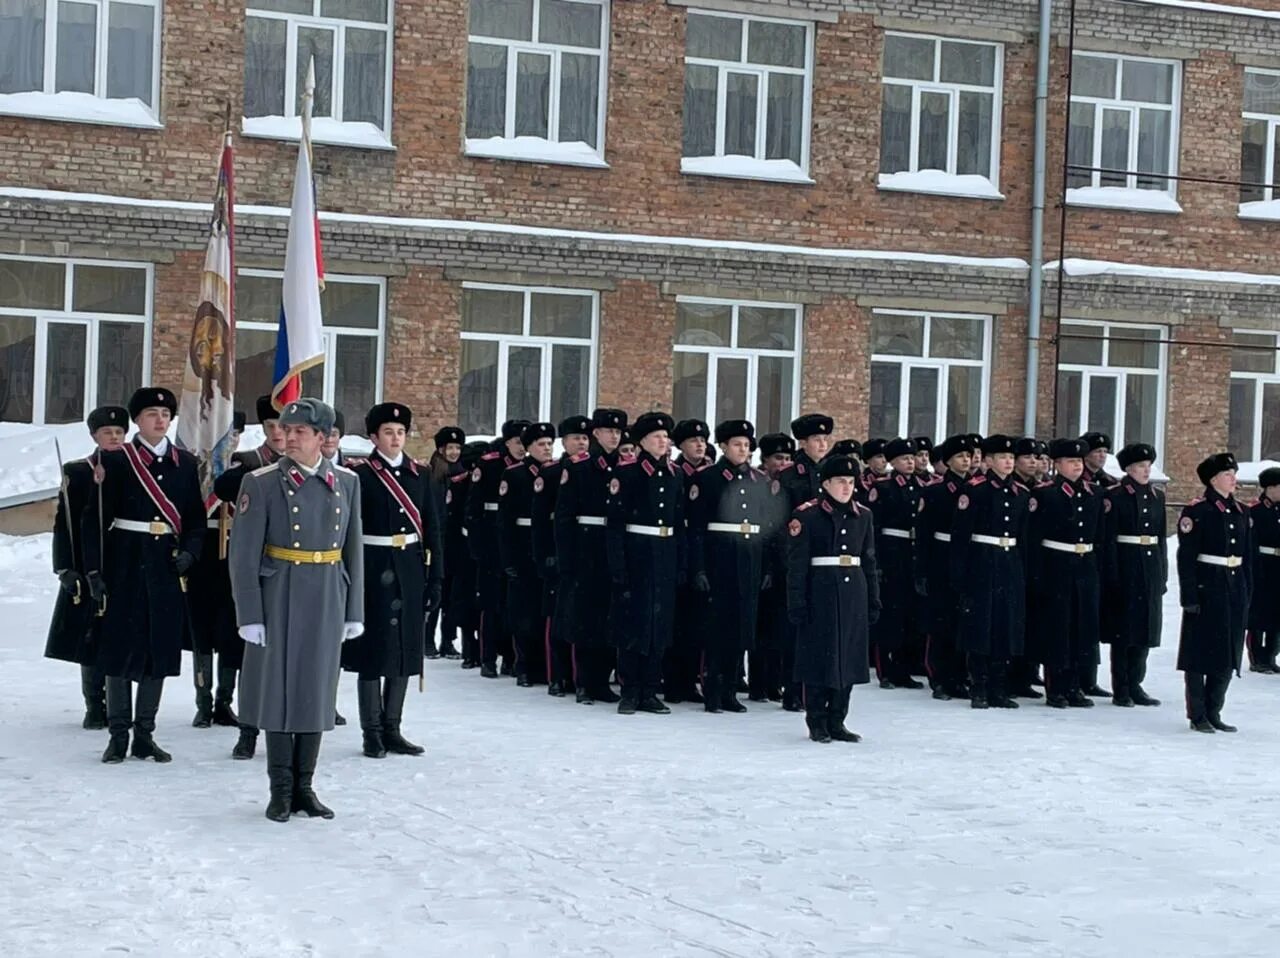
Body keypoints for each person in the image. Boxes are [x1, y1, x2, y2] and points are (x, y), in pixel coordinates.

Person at [229, 398, 364, 821]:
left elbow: (352, 550)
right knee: (277, 691)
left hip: (326, 591)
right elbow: (243, 553)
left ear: (322, 439)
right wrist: (249, 613)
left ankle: (306, 785)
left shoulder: (346, 481)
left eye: (299, 432)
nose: (287, 439)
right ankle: (281, 789)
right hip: (280, 592)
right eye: (285, 432)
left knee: (316, 692)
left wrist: (353, 608)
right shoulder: (261, 481)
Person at [83, 387, 205, 764]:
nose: (160, 419)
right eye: (151, 413)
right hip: (124, 564)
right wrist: (93, 570)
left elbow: (195, 519)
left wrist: (189, 552)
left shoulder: (184, 462)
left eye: (165, 414)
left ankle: (145, 735)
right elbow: (93, 521)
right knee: (118, 651)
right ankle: (118, 734)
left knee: (159, 650)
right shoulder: (117, 460)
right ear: (137, 420)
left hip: (164, 568)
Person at [344, 402, 442, 759]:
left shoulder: (421, 474)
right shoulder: (360, 476)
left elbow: (434, 527)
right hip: (373, 568)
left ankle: (393, 727)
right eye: (388, 432)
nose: (396, 438)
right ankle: (371, 731)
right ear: (373, 437)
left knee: (404, 650)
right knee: (373, 652)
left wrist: (436, 579)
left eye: (400, 432)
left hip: (410, 568)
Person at [686, 419, 779, 713]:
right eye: (737, 444)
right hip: (720, 558)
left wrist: (766, 568)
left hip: (749, 558)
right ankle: (713, 689)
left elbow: (767, 529)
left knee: (743, 626)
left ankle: (730, 689)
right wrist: (698, 567)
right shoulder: (709, 478)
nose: (743, 449)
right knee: (717, 628)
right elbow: (697, 529)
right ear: (724, 446)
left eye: (747, 445)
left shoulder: (759, 481)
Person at [786, 454, 879, 743]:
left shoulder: (863, 515)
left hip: (853, 594)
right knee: (818, 658)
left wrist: (874, 599)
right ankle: (816, 720)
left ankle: (838, 719)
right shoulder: (808, 514)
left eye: (851, 482)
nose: (846, 487)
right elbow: (797, 564)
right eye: (840, 481)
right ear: (825, 484)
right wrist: (797, 602)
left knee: (848, 659)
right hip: (820, 592)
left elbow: (869, 560)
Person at [45, 404, 127, 729]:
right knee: (90, 636)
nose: (114, 437)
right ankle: (95, 703)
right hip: (85, 565)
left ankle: (121, 704)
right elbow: (62, 525)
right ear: (95, 436)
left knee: (120, 636)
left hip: (123, 566)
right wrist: (64, 568)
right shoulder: (78, 471)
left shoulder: (136, 471)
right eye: (107, 432)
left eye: (119, 432)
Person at [606, 412, 682, 714]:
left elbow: (681, 523)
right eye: (656, 437)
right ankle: (630, 689)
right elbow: (615, 526)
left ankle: (650, 688)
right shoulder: (627, 474)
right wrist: (618, 568)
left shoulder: (676, 474)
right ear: (642, 442)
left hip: (665, 553)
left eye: (665, 437)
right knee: (633, 625)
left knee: (659, 627)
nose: (662, 442)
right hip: (637, 553)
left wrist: (682, 564)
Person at [950, 435, 1030, 709]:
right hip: (982, 564)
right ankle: (979, 686)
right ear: (987, 461)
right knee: (980, 627)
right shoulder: (975, 490)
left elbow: (1025, 537)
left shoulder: (1021, 493)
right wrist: (960, 575)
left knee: (1005, 627)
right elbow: (961, 537)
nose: (1008, 462)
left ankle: (999, 686)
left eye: (1010, 458)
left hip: (1010, 564)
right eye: (1001, 458)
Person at [555, 408, 627, 704]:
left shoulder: (626, 467)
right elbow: (564, 518)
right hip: (587, 550)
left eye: (618, 432)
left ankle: (602, 680)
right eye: (608, 431)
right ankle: (584, 681)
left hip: (614, 551)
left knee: (611, 619)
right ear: (595, 434)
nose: (614, 436)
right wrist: (567, 560)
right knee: (586, 619)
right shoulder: (578, 467)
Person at [1177, 453, 1251, 733]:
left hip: (1234, 587)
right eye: (1227, 474)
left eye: (1234, 473)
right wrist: (1190, 596)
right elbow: (1187, 557)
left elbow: (1248, 559)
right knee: (1199, 652)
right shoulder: (1197, 511)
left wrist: (1247, 592)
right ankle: (1197, 714)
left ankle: (1214, 709)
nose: (1234, 478)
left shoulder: (1242, 512)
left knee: (1228, 652)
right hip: (1208, 587)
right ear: (1213, 479)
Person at [1027, 438, 1103, 709]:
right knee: (1057, 629)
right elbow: (1032, 538)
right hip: (1056, 566)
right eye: (1071, 462)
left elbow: (1101, 536)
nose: (1077, 466)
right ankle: (1056, 687)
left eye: (1080, 462)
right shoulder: (1045, 493)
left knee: (1081, 629)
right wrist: (1037, 575)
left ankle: (1075, 685)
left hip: (1085, 566)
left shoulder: (1094, 493)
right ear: (1057, 465)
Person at [189, 410, 248, 731]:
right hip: (204, 555)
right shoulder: (197, 469)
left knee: (230, 633)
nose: (231, 440)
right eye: (225, 434)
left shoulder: (245, 470)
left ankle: (224, 701)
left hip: (235, 556)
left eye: (236, 433)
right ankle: (202, 701)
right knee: (202, 633)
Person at [1099, 443, 1167, 707]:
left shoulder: (1157, 496)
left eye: (1149, 466)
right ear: (1128, 469)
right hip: (1126, 565)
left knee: (1146, 629)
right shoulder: (1115, 496)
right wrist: (1113, 575)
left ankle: (1137, 682)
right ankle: (1122, 687)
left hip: (1149, 566)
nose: (1146, 471)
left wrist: (1161, 574)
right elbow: (1109, 539)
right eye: (1141, 466)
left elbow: (1160, 538)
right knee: (1124, 631)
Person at [533, 416, 592, 696]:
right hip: (557, 554)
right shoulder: (551, 473)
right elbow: (542, 521)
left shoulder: (592, 469)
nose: (581, 442)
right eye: (575, 438)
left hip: (583, 554)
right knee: (556, 617)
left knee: (580, 618)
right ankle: (556, 675)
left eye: (584, 438)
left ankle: (580, 676)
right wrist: (544, 555)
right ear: (564, 442)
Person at [914, 434, 974, 701]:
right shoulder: (935, 491)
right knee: (941, 622)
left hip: (967, 559)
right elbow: (924, 534)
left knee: (963, 622)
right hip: (941, 558)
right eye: (960, 456)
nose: (966, 460)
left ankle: (960, 677)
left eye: (969, 456)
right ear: (948, 461)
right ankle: (939, 677)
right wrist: (922, 570)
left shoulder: (975, 489)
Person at [467, 419, 528, 678]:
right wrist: (477, 545)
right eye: (517, 442)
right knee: (491, 604)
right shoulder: (490, 464)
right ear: (507, 442)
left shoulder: (527, 468)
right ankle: (487, 657)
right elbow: (474, 509)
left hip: (515, 543)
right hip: (491, 542)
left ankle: (511, 657)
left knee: (512, 604)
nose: (522, 448)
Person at [499, 421, 556, 687]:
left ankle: (544, 666)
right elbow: (505, 522)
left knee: (544, 612)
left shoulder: (556, 473)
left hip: (546, 549)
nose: (546, 449)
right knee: (523, 613)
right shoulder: (515, 475)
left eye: (549, 444)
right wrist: (508, 559)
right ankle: (523, 665)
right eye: (541, 444)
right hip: (523, 549)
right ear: (529, 448)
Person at [865, 437, 924, 690]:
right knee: (891, 615)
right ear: (893, 462)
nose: (910, 462)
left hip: (911, 553)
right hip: (891, 554)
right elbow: (874, 527)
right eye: (904, 459)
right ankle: (885, 670)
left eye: (912, 458)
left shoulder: (922, 486)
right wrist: (876, 561)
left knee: (911, 615)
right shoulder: (884, 488)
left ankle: (904, 668)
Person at [665, 418, 715, 704]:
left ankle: (690, 680)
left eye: (703, 440)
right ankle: (672, 681)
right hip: (678, 551)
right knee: (675, 623)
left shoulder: (709, 474)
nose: (699, 445)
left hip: (704, 553)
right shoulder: (675, 473)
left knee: (697, 625)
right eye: (694, 440)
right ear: (680, 445)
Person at [750, 432, 796, 703]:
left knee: (780, 628)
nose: (784, 463)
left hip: (785, 563)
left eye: (788, 458)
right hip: (762, 562)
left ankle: (775, 681)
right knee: (762, 629)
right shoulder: (758, 484)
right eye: (778, 457)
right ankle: (758, 682)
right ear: (765, 459)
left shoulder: (790, 484)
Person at [1005, 438, 1045, 700]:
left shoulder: (1040, 488)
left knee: (1035, 622)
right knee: (1013, 622)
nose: (1034, 462)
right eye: (1028, 457)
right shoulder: (1015, 489)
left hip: (1039, 561)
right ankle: (1012, 676)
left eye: (1037, 457)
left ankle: (1029, 671)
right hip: (1014, 559)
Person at [448, 441, 489, 670]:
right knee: (464, 601)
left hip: (482, 547)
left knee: (480, 601)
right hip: (464, 551)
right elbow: (453, 521)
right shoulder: (460, 484)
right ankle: (469, 649)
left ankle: (480, 649)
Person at [426, 425, 466, 659]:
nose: (454, 452)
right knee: (435, 594)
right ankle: (428, 639)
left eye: (457, 448)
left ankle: (448, 640)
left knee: (452, 596)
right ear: (441, 449)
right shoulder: (432, 474)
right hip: (438, 540)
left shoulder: (461, 472)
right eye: (449, 448)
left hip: (455, 542)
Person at [1247, 467, 1280, 674]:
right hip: (1262, 565)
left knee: (1277, 614)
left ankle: (1271, 655)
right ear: (1270, 488)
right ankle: (1257, 657)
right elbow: (1251, 543)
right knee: (1258, 614)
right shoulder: (1256, 511)